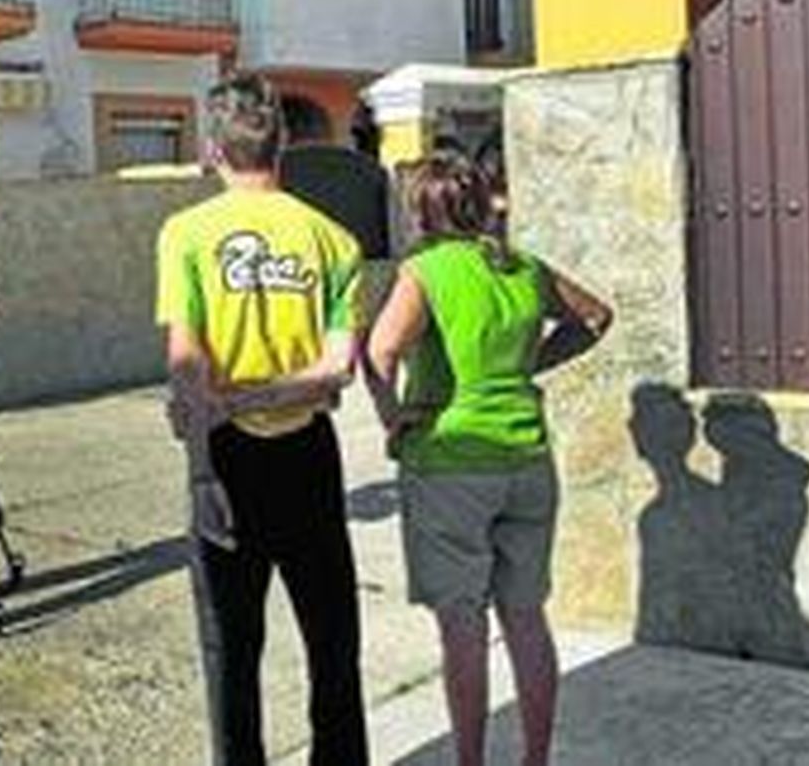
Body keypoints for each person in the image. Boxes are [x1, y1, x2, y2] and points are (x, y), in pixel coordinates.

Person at [363, 153, 613, 766]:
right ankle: (535, 759)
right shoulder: (524, 266)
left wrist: (394, 419)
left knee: (463, 628)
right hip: (527, 461)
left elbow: (378, 353)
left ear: (423, 210)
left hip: (450, 467)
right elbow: (596, 316)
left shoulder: (424, 272)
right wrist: (531, 365)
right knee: (527, 619)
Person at [157, 72, 370, 766]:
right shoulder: (333, 239)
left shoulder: (185, 234)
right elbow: (339, 370)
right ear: (282, 146)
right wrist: (269, 395)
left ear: (213, 149)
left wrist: (202, 468)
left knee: (232, 646)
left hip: (224, 457)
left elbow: (187, 366)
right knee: (332, 638)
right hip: (310, 451)